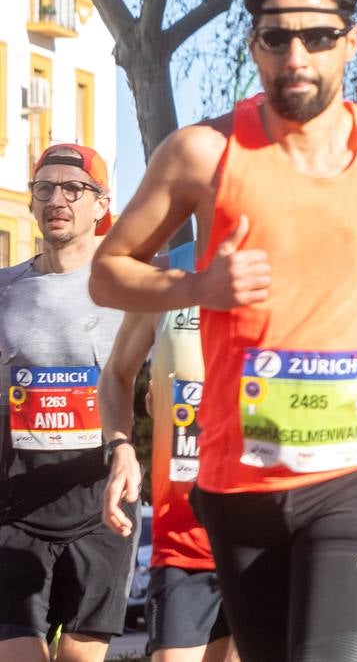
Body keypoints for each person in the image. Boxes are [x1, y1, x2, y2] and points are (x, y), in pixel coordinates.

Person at [88, 0, 357, 662]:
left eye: (319, 36)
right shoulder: (202, 154)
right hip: (239, 483)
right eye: (277, 36)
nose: (297, 55)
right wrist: (197, 287)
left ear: (350, 42)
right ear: (254, 44)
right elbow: (108, 273)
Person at [0, 144, 131, 662]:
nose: (58, 198)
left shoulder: (128, 284)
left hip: (102, 504)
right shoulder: (5, 289)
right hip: (15, 503)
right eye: (45, 188)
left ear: (100, 204)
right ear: (31, 202)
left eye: (74, 188)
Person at [99, 242, 238, 662]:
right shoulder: (168, 273)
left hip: (263, 531)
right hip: (184, 535)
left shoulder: (289, 261)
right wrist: (121, 447)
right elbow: (116, 376)